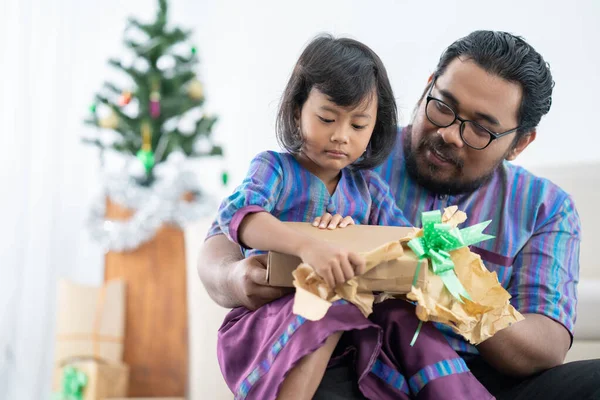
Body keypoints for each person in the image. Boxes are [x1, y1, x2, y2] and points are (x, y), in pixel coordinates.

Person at [199, 30, 600, 399]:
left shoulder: (547, 207)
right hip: (365, 359)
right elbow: (225, 237)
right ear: (428, 87)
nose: (450, 134)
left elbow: (544, 348)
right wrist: (234, 278)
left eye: (480, 129)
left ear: (519, 143)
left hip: (484, 376)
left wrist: (458, 289)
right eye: (443, 107)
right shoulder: (355, 150)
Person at [210, 34, 494, 400]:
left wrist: (428, 242)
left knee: (410, 325)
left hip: (359, 325)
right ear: (298, 110)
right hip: (274, 317)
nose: (341, 136)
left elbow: (404, 240)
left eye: (358, 125)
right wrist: (311, 246)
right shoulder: (274, 169)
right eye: (327, 118)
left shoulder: (367, 188)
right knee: (326, 304)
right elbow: (240, 217)